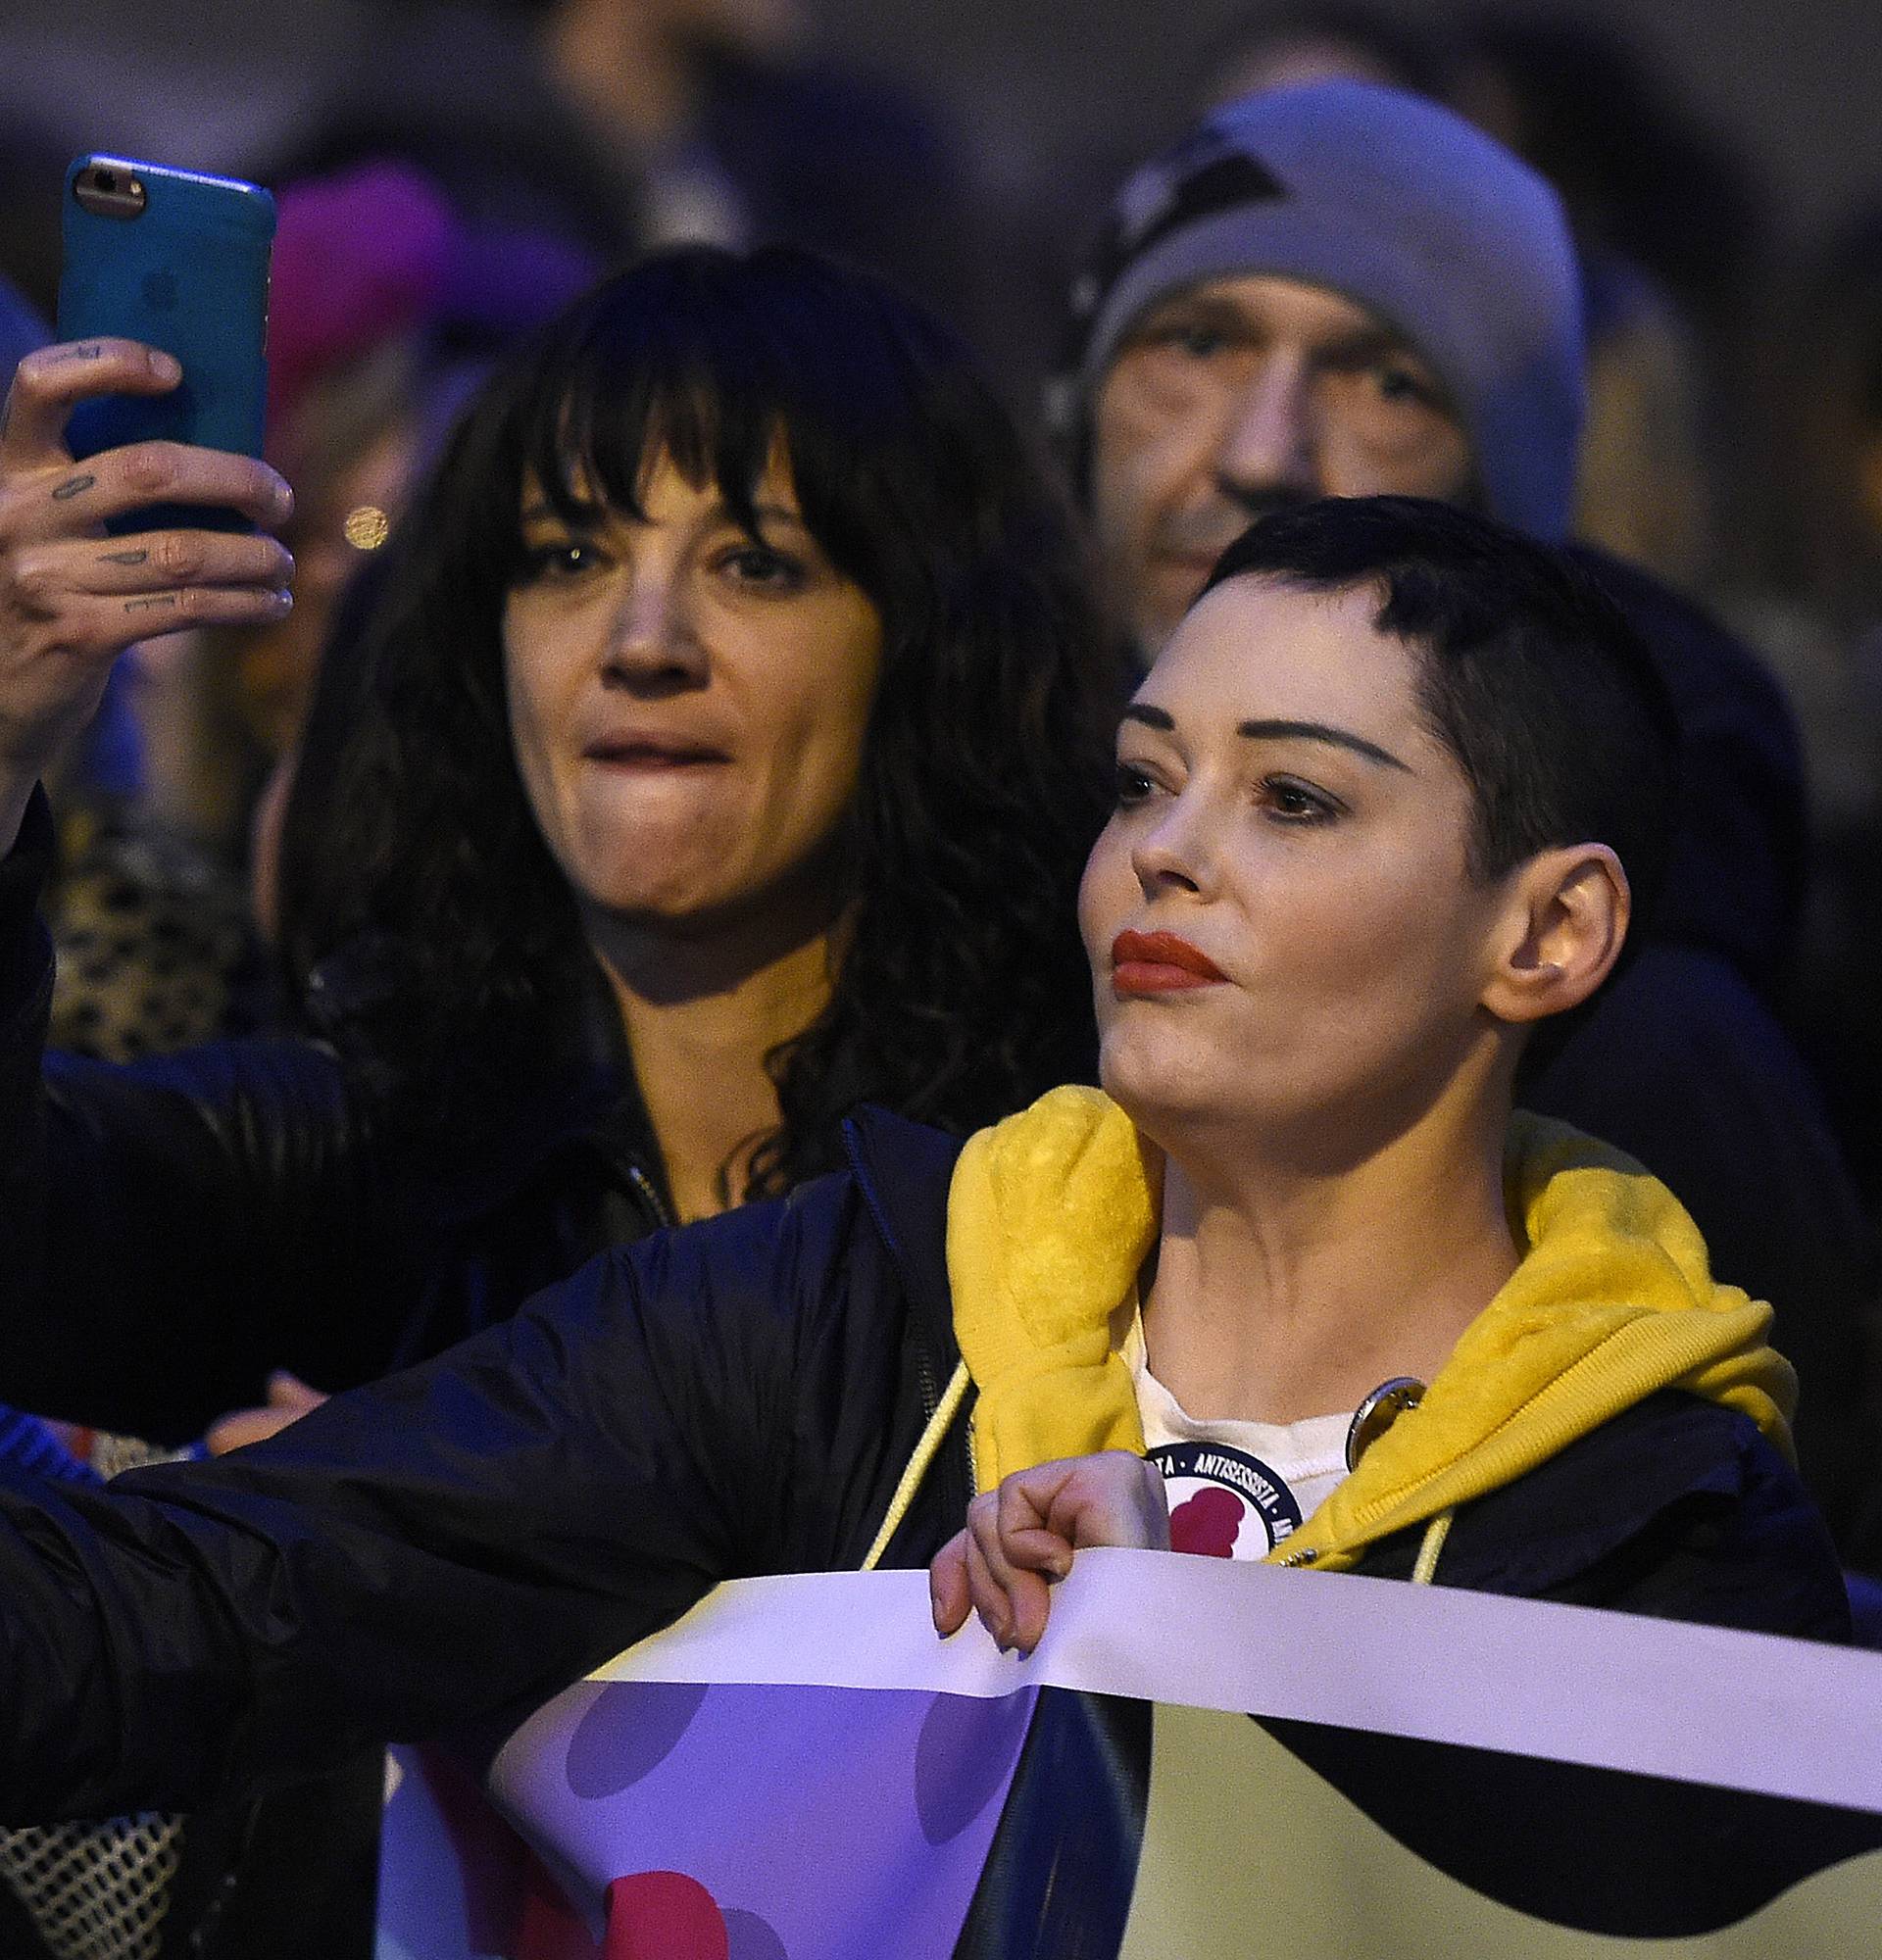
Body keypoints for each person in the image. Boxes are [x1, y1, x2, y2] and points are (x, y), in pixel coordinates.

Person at [0, 506, 1846, 1941]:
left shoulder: (1666, 1524)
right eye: (1141, 778)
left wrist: (1199, 1671)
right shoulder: (842, 1304)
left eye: (1291, 796)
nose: (1164, 852)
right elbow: (177, 1610)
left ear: (1550, 934)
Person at [0, 243, 1113, 1956]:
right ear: (480, 641)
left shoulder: (1090, 1183)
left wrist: (416, 1531)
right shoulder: (368, 1146)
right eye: (570, 556)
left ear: (927, 647)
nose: (643, 641)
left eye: (756, 561)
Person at [1046, 77, 1876, 1537]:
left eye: (1389, 381)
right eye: (1196, 341)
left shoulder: (1661, 1055)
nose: (1262, 448)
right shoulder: (926, 826)